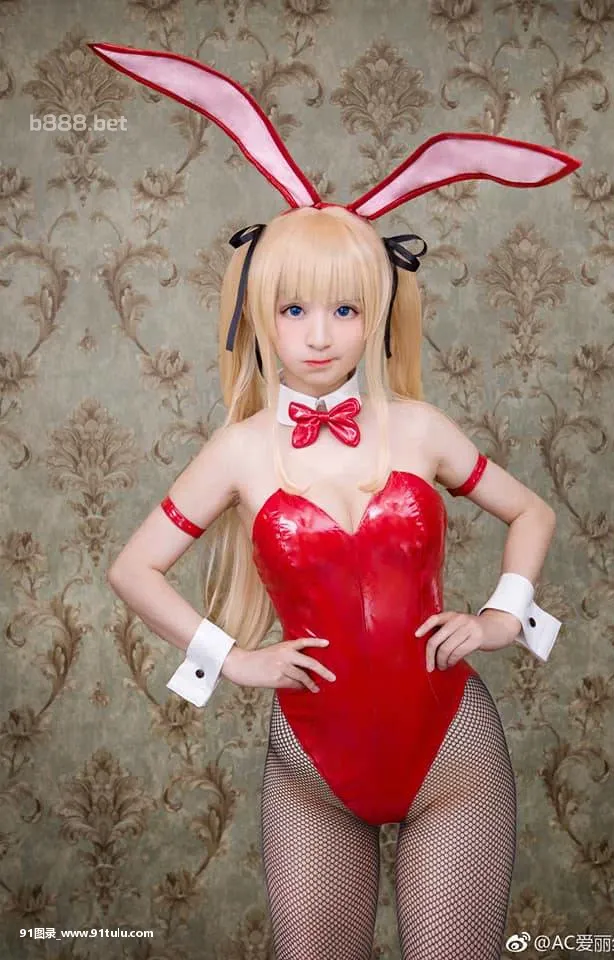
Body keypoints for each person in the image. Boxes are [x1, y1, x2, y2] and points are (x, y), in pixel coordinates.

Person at [93, 42, 577, 960]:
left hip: (452, 756)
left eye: (345, 310)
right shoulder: (238, 450)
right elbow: (133, 569)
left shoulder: (420, 429)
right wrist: (234, 661)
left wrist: (500, 616)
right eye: (294, 310)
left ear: (377, 313)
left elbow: (532, 513)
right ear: (259, 314)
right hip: (309, 768)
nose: (319, 336)